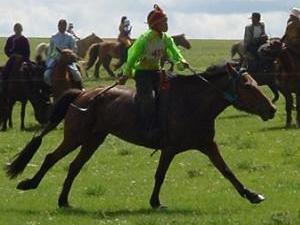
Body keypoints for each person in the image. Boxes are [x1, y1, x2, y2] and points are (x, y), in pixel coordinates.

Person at [120, 4, 190, 141]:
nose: (166, 24)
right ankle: (148, 128)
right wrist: (126, 73)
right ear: (156, 24)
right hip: (143, 74)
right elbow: (132, 55)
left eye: (166, 21)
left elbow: (175, 53)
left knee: (170, 95)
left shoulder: (166, 38)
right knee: (148, 99)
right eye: (164, 22)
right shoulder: (145, 39)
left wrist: (181, 62)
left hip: (157, 72)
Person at [44, 19, 83, 89]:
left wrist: (69, 53)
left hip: (68, 60)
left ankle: (80, 88)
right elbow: (50, 51)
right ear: (58, 26)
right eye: (60, 25)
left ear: (65, 26)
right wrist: (49, 60)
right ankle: (51, 89)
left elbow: (74, 49)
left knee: (76, 75)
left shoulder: (70, 37)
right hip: (56, 59)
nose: (62, 27)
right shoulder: (54, 37)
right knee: (46, 75)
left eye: (64, 25)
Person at [0, 23, 31, 93]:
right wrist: (11, 55)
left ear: (21, 29)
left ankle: (31, 89)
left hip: (23, 60)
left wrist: (21, 56)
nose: (17, 30)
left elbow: (27, 52)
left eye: (19, 28)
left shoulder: (24, 40)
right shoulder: (10, 39)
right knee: (5, 71)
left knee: (29, 70)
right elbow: (6, 49)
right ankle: (4, 87)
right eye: (16, 28)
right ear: (14, 29)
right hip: (12, 59)